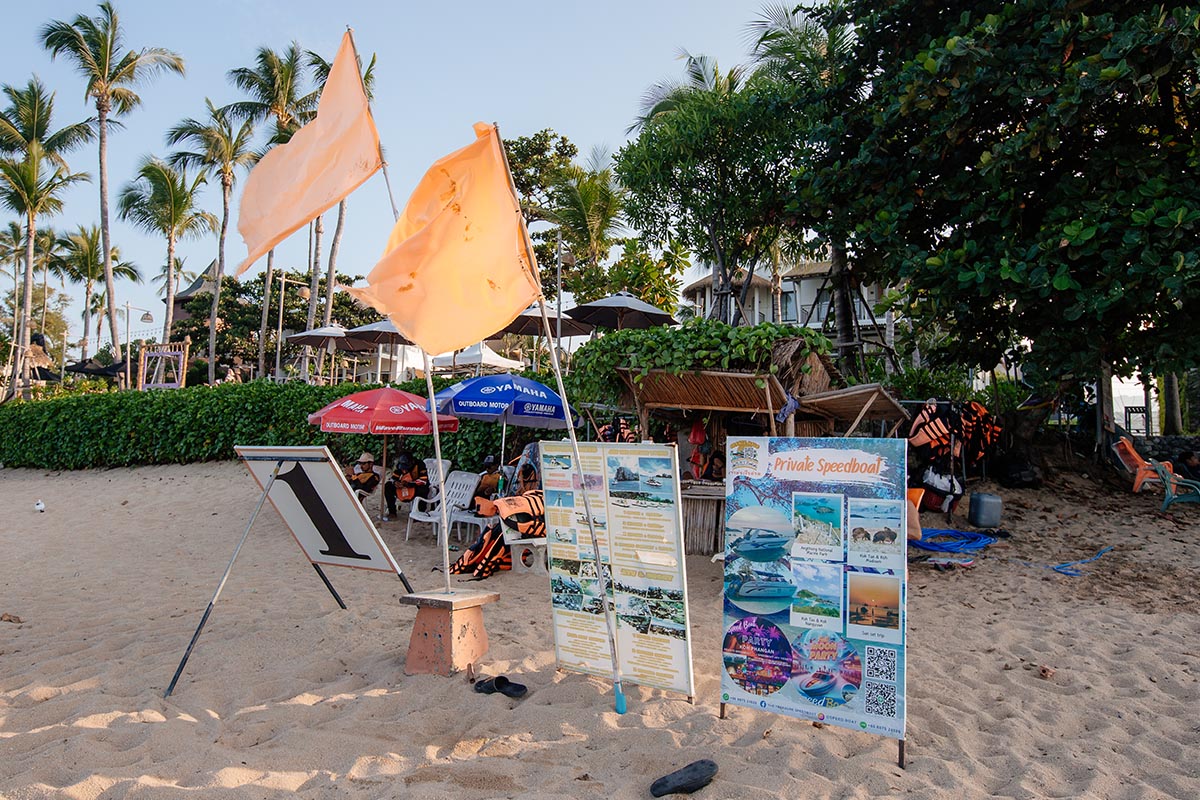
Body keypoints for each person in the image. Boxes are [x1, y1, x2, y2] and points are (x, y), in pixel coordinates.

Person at [384, 453, 428, 520]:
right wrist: (395, 482)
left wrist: (409, 484)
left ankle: (420, 512)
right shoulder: (399, 466)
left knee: (423, 489)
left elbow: (424, 480)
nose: (404, 470)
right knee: (388, 486)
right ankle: (392, 512)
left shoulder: (419, 464)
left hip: (416, 485)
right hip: (404, 486)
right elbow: (393, 478)